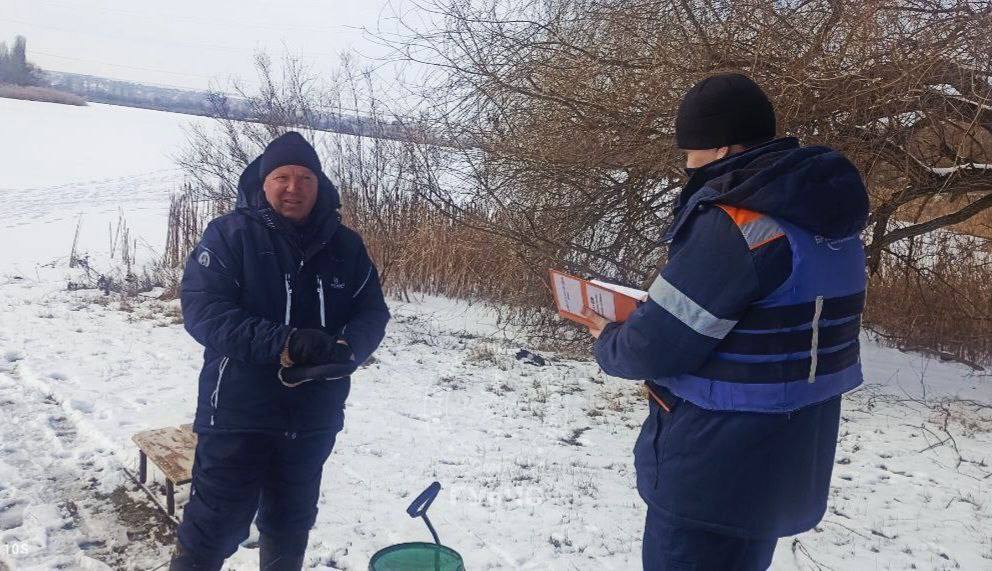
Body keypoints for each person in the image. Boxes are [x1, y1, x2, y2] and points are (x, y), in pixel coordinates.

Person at [582, 73, 869, 570]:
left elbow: (655, 345)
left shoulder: (738, 224)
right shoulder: (827, 219)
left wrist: (609, 338)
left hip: (711, 473)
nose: (687, 165)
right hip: (787, 463)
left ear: (721, 148)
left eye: (690, 152)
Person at [170, 131, 390, 570]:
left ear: (319, 184)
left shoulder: (346, 246)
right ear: (263, 182)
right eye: (283, 177)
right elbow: (204, 311)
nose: (294, 188)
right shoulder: (230, 236)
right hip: (238, 412)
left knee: (291, 524)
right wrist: (284, 344)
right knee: (214, 527)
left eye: (305, 177)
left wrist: (349, 347)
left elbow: (372, 311)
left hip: (313, 414)